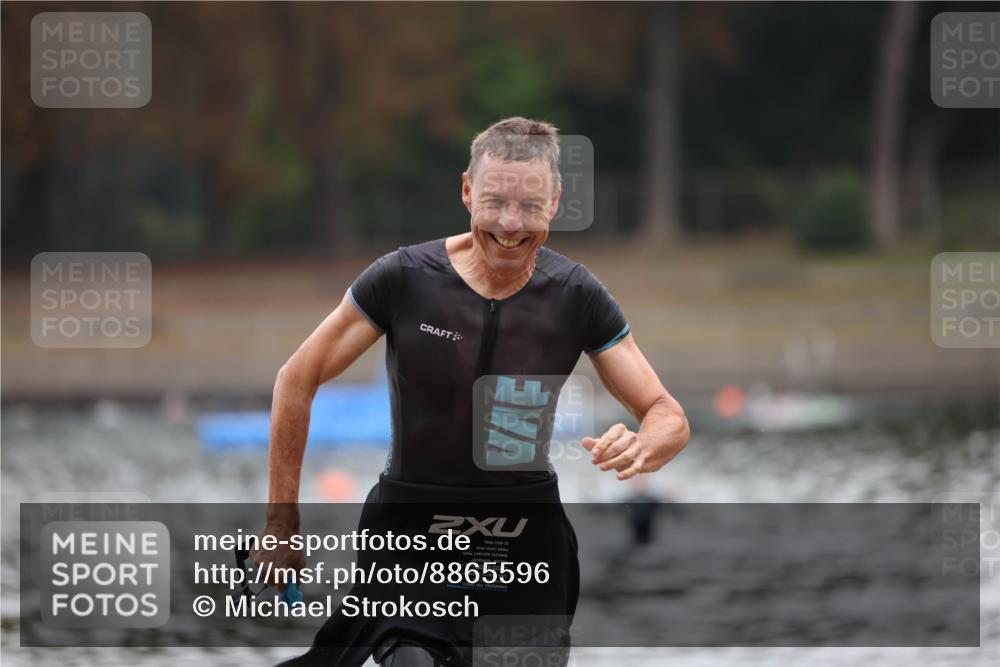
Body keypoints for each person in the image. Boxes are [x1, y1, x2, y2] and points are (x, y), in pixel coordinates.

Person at [257, 117, 690, 666]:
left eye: (531, 206)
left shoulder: (575, 296)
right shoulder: (404, 277)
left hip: (524, 543)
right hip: (412, 532)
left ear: (555, 203)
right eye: (494, 202)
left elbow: (667, 413)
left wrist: (646, 443)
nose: (511, 224)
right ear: (466, 191)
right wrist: (281, 521)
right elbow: (297, 378)